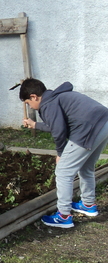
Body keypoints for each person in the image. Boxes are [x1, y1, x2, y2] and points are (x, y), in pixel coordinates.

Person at [20, 78, 108, 228]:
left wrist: (60, 153)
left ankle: (64, 216)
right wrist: (35, 124)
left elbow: (59, 131)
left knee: (63, 171)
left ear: (34, 96)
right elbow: (57, 125)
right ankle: (88, 205)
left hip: (87, 128)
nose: (31, 107)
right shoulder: (57, 97)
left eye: (28, 103)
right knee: (86, 167)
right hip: (103, 123)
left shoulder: (48, 105)